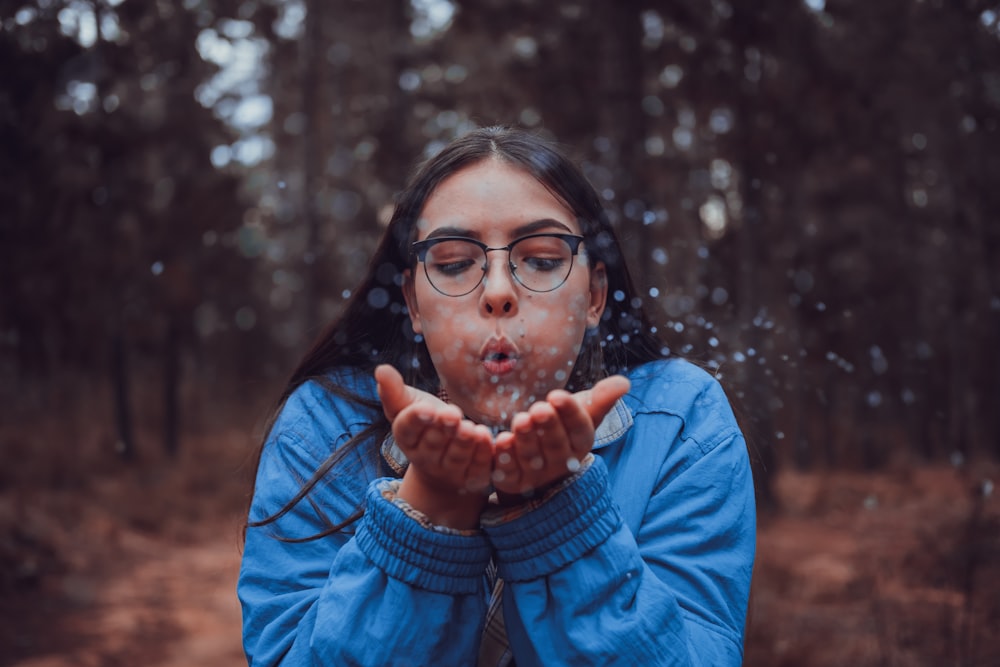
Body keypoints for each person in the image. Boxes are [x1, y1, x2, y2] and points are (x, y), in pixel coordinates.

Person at [238, 126, 756, 666]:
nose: (500, 292)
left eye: (543, 258)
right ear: (413, 302)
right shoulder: (323, 426)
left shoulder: (682, 419)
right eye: (456, 263)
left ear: (595, 295)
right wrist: (429, 507)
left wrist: (558, 512)